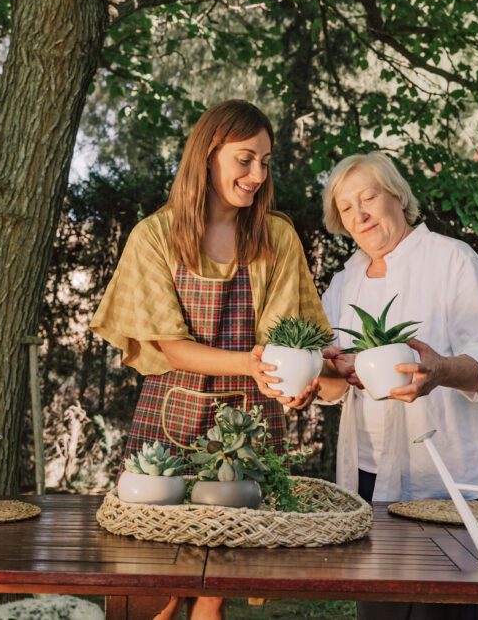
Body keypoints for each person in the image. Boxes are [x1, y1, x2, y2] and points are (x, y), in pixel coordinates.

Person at [90, 100, 329, 620]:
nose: (257, 175)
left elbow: (286, 341)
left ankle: (209, 606)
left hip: (249, 423)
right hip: (170, 419)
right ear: (208, 154)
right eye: (245, 159)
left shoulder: (277, 236)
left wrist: (294, 380)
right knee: (152, 576)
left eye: (266, 162)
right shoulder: (154, 236)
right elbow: (172, 348)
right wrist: (252, 365)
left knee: (219, 581)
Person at [316, 152, 478, 619]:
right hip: (369, 475)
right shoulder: (344, 283)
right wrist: (326, 373)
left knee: (446, 610)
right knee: (380, 608)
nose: (359, 214)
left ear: (399, 198)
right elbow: (332, 386)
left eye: (369, 197)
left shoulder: (452, 260)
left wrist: (440, 371)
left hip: (445, 477)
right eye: (346, 208)